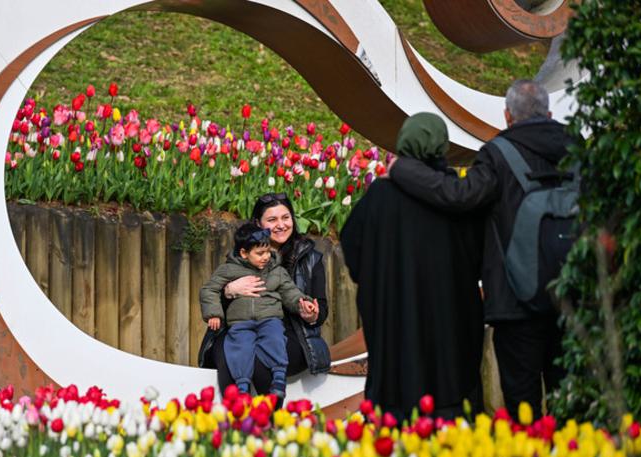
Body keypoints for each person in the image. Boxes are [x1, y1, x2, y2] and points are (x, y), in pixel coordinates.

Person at [388, 80, 572, 420]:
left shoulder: (499, 154)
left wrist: (403, 168)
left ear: (507, 116)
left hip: (517, 302)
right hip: (575, 298)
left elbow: (458, 196)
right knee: (573, 402)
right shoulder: (579, 150)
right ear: (548, 113)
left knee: (523, 407)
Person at [340, 112, 484, 421]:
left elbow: (352, 246)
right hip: (450, 327)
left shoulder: (380, 197)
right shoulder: (459, 198)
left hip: (394, 325)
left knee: (396, 413)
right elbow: (479, 257)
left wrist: (379, 279)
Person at [198, 193, 331, 394]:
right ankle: (236, 409)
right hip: (241, 325)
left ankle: (268, 410)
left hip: (290, 332)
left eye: (285, 217)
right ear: (258, 224)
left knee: (261, 359)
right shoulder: (242, 255)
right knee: (229, 356)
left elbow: (320, 309)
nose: (281, 225)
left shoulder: (311, 258)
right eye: (272, 220)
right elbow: (214, 294)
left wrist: (310, 314)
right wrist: (230, 291)